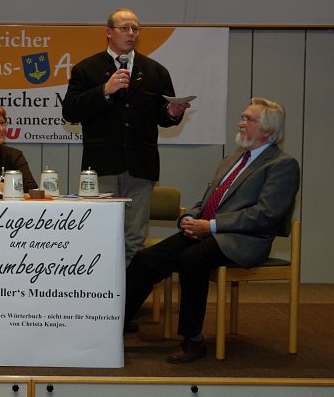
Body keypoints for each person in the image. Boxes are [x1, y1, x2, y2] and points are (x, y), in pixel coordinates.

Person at [124, 97, 300, 363]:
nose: (241, 123)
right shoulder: (232, 159)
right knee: (146, 259)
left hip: (243, 240)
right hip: (209, 232)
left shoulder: (281, 165)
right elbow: (207, 201)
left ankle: (193, 340)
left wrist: (212, 226)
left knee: (192, 259)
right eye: (242, 117)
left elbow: (265, 215)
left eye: (249, 119)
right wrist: (191, 218)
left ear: (268, 131)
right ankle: (115, 321)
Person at [62, 8, 190, 266]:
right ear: (109, 32)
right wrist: (104, 90)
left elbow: (163, 116)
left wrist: (172, 112)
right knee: (100, 238)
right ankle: (102, 290)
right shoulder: (86, 69)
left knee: (134, 241)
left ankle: (130, 292)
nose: (131, 33)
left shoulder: (155, 71)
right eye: (125, 28)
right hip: (102, 167)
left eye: (135, 28)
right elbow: (70, 111)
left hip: (141, 167)